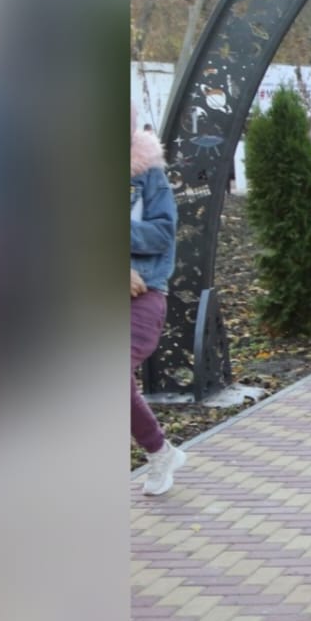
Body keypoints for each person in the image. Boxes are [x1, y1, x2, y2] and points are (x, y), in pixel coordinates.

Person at [131, 108, 186, 496]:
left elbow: (162, 233)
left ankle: (159, 451)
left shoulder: (148, 173)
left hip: (143, 294)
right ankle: (160, 451)